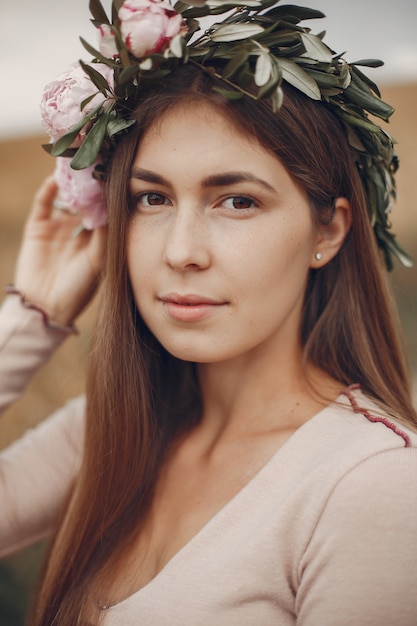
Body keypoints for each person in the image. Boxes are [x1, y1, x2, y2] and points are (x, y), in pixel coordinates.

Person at [1, 1, 416, 624]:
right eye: (152, 198)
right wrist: (30, 318)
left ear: (328, 231)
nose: (180, 252)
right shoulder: (110, 429)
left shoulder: (372, 486)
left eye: (237, 201)